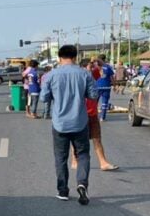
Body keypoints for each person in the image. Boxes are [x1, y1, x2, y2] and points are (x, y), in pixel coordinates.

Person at [40, 45, 98, 205]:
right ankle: (82, 183)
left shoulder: (51, 75)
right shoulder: (84, 74)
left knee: (61, 157)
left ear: (59, 57)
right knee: (83, 154)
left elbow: (44, 98)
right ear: (75, 57)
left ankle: (63, 191)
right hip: (80, 122)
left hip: (59, 124)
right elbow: (94, 94)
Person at [71, 59, 119, 171]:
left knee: (97, 138)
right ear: (82, 67)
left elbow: (102, 68)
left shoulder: (93, 75)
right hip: (80, 114)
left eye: (93, 66)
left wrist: (97, 60)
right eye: (90, 66)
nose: (92, 68)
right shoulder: (77, 78)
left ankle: (103, 162)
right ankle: (74, 160)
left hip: (92, 113)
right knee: (76, 141)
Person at [94, 54, 114, 121]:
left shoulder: (96, 67)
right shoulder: (108, 67)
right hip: (107, 87)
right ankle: (102, 117)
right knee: (104, 103)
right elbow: (111, 77)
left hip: (97, 86)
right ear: (105, 59)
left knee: (94, 102)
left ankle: (94, 116)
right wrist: (114, 85)